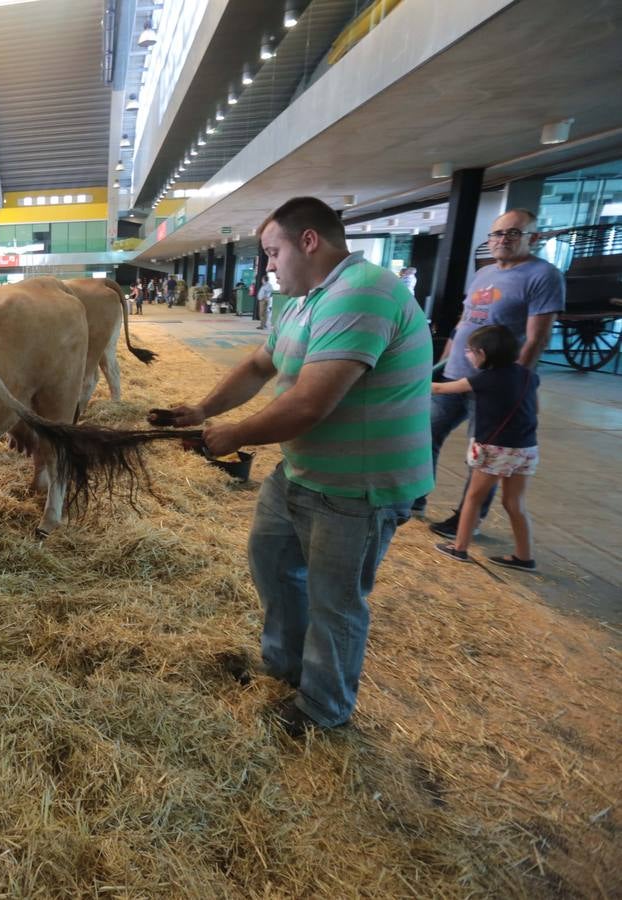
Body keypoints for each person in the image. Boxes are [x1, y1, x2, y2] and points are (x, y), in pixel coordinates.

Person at [148, 197, 432, 736]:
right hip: (304, 470)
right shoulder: (301, 303)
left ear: (309, 242)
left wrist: (232, 434)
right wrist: (205, 410)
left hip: (359, 486)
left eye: (273, 253)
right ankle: (284, 667)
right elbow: (260, 365)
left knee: (336, 602)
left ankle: (323, 708)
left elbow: (308, 404)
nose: (268, 267)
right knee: (273, 561)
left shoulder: (362, 293)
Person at [423, 209, 564, 538]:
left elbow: (537, 338)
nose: (502, 240)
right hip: (456, 374)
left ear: (534, 237)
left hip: (493, 384)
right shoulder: (484, 274)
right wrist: (445, 362)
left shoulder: (543, 276)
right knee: (424, 434)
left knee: (485, 456)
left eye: (513, 233)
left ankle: (467, 521)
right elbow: (464, 322)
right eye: (497, 234)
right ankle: (415, 496)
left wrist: (514, 384)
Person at [432, 325, 539, 570]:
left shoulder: (483, 379)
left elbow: (440, 388)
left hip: (495, 449)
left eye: (469, 351)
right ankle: (525, 556)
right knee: (515, 503)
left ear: (482, 353)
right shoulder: (529, 375)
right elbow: (536, 409)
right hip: (526, 448)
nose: (467, 355)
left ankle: (458, 548)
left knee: (474, 498)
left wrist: (409, 383)